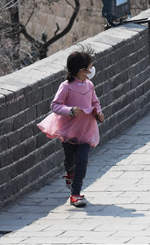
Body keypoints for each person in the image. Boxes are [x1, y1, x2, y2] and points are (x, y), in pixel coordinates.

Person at [37, 50, 105, 208]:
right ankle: (70, 174)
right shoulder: (66, 86)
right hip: (68, 129)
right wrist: (69, 111)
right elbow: (55, 105)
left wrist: (99, 113)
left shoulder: (90, 85)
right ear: (82, 70)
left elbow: (95, 102)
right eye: (90, 67)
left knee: (82, 160)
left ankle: (75, 194)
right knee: (70, 160)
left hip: (86, 129)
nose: (92, 69)